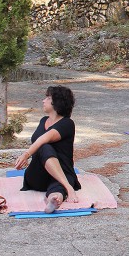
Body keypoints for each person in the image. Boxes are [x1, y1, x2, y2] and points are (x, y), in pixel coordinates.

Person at [14, 85, 81, 213]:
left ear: (57, 102)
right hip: (37, 175)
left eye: (48, 98)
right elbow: (40, 141)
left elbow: (44, 138)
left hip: (61, 173)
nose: (43, 101)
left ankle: (54, 199)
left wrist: (26, 154)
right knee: (43, 147)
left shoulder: (67, 123)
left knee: (57, 187)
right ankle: (68, 188)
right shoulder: (43, 120)